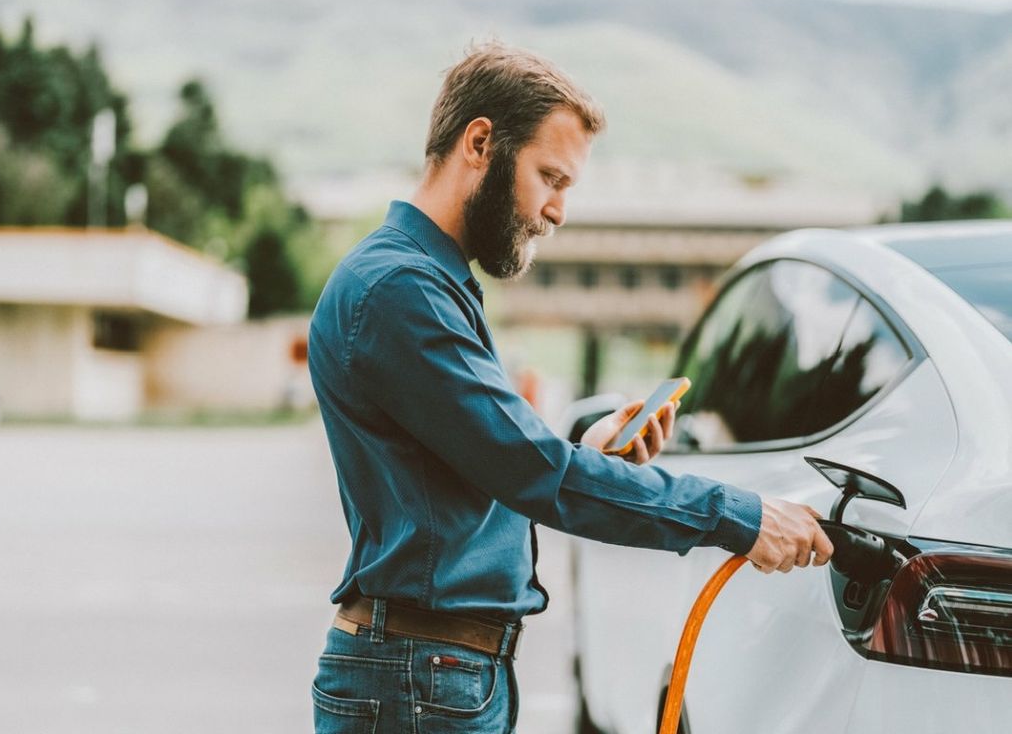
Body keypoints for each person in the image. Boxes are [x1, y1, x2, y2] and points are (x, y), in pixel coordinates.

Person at [307, 41, 833, 734]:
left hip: (432, 674)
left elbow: (483, 464)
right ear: (480, 142)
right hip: (418, 680)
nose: (557, 211)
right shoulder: (400, 291)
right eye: (550, 177)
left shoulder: (424, 282)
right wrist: (738, 516)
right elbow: (532, 473)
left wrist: (585, 446)